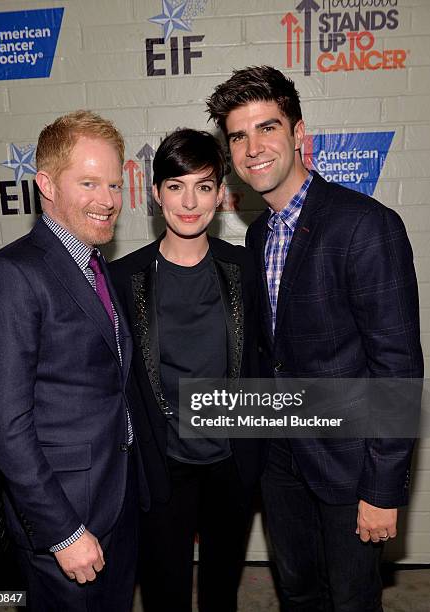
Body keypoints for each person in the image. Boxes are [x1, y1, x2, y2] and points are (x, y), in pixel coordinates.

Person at [207, 66, 423, 611]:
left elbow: (396, 368)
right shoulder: (258, 235)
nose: (253, 148)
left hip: (350, 467)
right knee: (298, 591)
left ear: (299, 134)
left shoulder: (365, 225)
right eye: (238, 135)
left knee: (352, 599)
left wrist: (382, 489)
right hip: (281, 465)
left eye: (267, 128)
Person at [0, 110, 147, 611]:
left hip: (115, 501)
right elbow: (6, 425)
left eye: (113, 184)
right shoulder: (10, 277)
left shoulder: (93, 263)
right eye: (89, 182)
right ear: (46, 183)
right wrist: (64, 532)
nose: (108, 200)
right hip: (63, 519)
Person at [110, 128, 264, 612]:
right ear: (156, 195)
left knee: (221, 595)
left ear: (222, 194)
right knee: (164, 596)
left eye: (203, 185)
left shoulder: (244, 268)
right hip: (162, 466)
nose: (190, 201)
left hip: (231, 463)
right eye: (176, 186)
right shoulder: (123, 278)